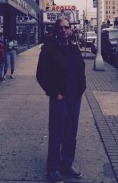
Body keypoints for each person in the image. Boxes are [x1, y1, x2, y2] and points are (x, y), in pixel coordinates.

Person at [36, 16, 86, 183]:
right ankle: (53, 169)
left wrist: (81, 88)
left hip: (75, 99)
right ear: (56, 31)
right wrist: (54, 92)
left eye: (66, 27)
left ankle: (67, 164)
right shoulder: (49, 51)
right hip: (59, 99)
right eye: (60, 28)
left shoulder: (74, 49)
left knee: (71, 134)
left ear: (70, 30)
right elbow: (41, 75)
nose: (64, 31)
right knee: (56, 135)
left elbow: (81, 70)